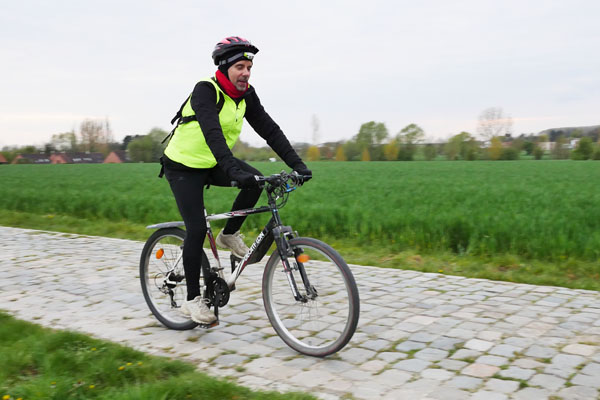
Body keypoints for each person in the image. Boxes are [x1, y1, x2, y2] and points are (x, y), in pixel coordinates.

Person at [160, 36, 311, 325]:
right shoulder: (206, 91)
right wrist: (232, 170)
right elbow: (213, 134)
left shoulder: (246, 95)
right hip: (183, 166)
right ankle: (192, 300)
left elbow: (269, 129)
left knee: (256, 182)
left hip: (211, 161)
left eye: (249, 68)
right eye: (240, 67)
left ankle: (229, 234)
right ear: (225, 67)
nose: (246, 73)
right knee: (195, 229)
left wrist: (297, 164)